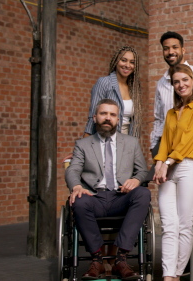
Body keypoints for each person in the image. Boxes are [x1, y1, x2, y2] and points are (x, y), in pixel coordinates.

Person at [65, 99, 150, 280]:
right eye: (103, 114)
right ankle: (97, 261)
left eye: (112, 115)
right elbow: (73, 169)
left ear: (118, 120)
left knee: (143, 194)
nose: (107, 118)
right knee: (78, 201)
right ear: (95, 117)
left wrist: (135, 180)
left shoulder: (131, 142)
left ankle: (121, 259)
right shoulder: (83, 144)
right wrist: (77, 186)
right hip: (94, 197)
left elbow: (142, 170)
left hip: (121, 196)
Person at [152, 64, 193, 281]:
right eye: (176, 82)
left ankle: (176, 273)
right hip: (168, 167)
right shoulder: (171, 112)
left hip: (188, 167)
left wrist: (166, 162)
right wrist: (159, 163)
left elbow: (189, 140)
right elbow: (165, 141)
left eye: (185, 80)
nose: (181, 85)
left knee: (186, 224)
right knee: (168, 225)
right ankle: (168, 275)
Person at [150, 31, 193, 158]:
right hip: (164, 145)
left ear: (183, 50)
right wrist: (154, 146)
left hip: (190, 144)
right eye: (166, 49)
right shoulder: (161, 83)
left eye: (175, 47)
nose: (170, 52)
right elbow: (159, 118)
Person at [84, 46, 143, 137]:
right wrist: (86, 144)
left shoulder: (134, 89)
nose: (127, 65)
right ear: (116, 61)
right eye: (123, 60)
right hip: (105, 140)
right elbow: (93, 115)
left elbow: (134, 122)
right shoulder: (104, 83)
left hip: (127, 142)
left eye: (132, 62)